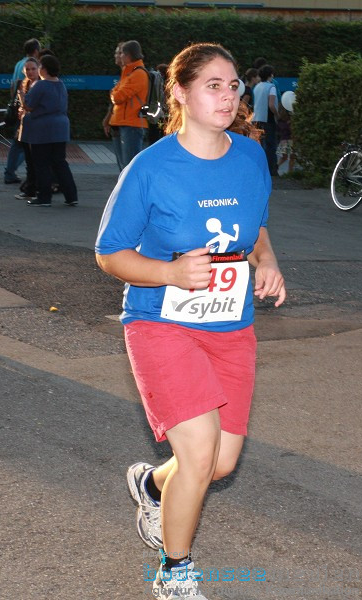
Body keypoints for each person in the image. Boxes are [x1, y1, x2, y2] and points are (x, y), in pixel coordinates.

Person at [95, 42, 286, 599]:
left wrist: (267, 260)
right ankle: (175, 573)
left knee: (218, 465)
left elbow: (258, 227)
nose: (228, 96)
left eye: (234, 86)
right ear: (179, 92)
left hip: (231, 328)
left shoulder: (250, 156)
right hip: (161, 323)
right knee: (198, 455)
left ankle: (152, 486)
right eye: (213, 85)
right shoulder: (151, 168)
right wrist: (170, 273)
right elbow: (110, 253)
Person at [20, 54, 78, 207]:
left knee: (42, 163)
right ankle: (71, 195)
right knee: (60, 162)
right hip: (61, 127)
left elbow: (29, 105)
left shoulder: (41, 85)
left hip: (43, 128)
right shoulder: (61, 84)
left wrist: (21, 96)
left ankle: (44, 197)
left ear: (43, 69)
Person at [109, 40, 149, 170]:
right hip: (124, 123)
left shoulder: (137, 74)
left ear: (128, 55)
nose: (119, 56)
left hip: (131, 124)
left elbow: (118, 97)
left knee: (129, 167)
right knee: (124, 166)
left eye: (121, 54)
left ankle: (132, 190)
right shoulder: (129, 73)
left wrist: (113, 92)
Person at [3, 40, 40, 184]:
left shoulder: (19, 63)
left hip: (19, 107)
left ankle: (10, 171)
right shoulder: (34, 64)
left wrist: (15, 103)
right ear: (36, 50)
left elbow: (14, 85)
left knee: (17, 141)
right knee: (27, 143)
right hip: (28, 109)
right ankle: (13, 171)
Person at [15, 57, 41, 201]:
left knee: (34, 160)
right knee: (29, 160)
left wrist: (22, 99)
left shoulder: (39, 85)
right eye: (27, 69)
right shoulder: (26, 84)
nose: (30, 72)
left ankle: (33, 189)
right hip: (26, 126)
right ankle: (31, 188)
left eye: (33, 69)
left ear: (38, 69)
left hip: (36, 128)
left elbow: (30, 106)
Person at [252, 64, 278, 177]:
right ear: (270, 75)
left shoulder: (257, 87)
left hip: (256, 119)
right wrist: (277, 114)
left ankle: (259, 169)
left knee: (260, 145)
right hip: (268, 119)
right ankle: (271, 170)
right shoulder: (271, 87)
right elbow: (271, 105)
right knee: (270, 145)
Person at [146, 62, 169, 146]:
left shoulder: (156, 81)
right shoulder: (169, 84)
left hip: (155, 113)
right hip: (165, 115)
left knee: (153, 134)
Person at [276, 103, 296, 174]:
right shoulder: (290, 120)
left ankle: (276, 166)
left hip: (283, 140)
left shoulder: (280, 120)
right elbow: (292, 130)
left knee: (284, 157)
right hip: (290, 140)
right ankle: (290, 172)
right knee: (292, 157)